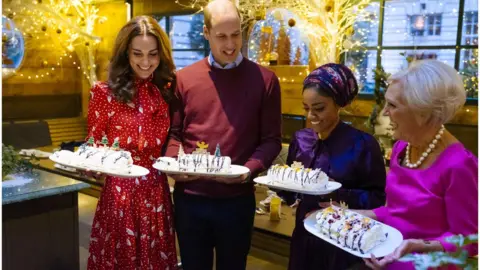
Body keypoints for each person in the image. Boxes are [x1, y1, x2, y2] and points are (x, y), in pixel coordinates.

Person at [165, 0, 282, 269]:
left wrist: (249, 169)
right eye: (221, 37)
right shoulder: (184, 78)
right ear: (206, 33)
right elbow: (174, 134)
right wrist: (175, 164)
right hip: (190, 199)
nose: (230, 45)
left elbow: (271, 140)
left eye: (235, 35)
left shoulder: (265, 80)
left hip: (237, 201)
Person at [356, 60, 478, 270]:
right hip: (385, 258)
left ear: (423, 111)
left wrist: (418, 245)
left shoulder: (459, 165)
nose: (384, 112)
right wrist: (354, 214)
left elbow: (469, 241)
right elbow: (396, 212)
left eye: (392, 105)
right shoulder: (402, 148)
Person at [86, 16, 177, 269]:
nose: (145, 62)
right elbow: (92, 147)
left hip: (157, 193)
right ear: (126, 53)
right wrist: (90, 166)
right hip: (119, 196)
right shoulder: (104, 93)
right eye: (138, 54)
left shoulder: (166, 91)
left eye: (153, 54)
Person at [285, 63, 387, 270]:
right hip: (304, 236)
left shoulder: (362, 145)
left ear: (339, 103)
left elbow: (378, 198)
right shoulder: (301, 139)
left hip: (342, 240)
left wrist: (339, 192)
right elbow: (288, 188)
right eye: (306, 108)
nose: (311, 117)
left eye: (319, 108)